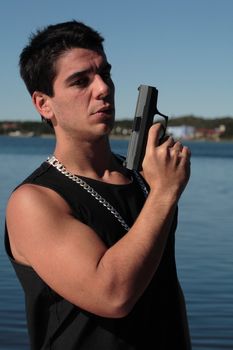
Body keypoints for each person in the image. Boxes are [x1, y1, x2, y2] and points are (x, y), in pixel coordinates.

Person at [5, 20, 191, 349]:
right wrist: (164, 194)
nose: (103, 88)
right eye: (80, 81)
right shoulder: (34, 201)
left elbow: (166, 289)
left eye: (105, 73)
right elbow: (112, 294)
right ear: (43, 104)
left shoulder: (144, 175)